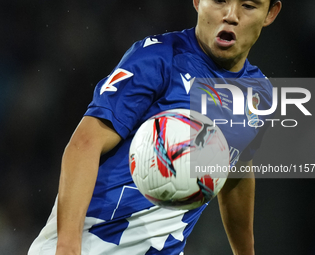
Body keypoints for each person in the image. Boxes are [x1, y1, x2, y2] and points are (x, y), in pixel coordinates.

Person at [28, 0, 282, 254]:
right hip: (91, 246)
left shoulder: (259, 94)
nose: (231, 15)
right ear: (197, 2)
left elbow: (237, 173)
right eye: (218, 0)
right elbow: (85, 144)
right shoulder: (158, 58)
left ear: (270, 13)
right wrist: (69, 246)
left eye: (248, 5)